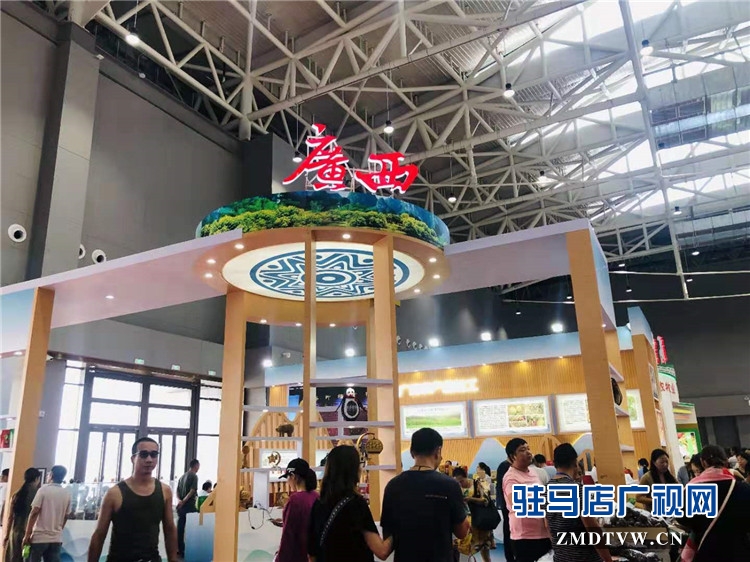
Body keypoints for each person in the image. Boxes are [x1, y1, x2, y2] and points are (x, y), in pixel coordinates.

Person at [380, 428, 468, 562]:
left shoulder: (393, 485)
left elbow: (388, 534)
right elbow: (461, 532)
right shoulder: (450, 485)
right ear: (438, 451)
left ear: (411, 452)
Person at [87, 437, 178, 562]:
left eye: (154, 454)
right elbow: (99, 534)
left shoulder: (165, 491)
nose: (149, 459)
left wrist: (173, 559)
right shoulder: (114, 494)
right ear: (133, 458)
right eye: (143, 454)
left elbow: (170, 529)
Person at [308, 445, 391, 562]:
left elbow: (312, 554)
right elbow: (381, 551)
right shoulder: (357, 505)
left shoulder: (319, 504)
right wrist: (399, 529)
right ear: (353, 470)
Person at [677, 445, 750, 562]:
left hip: (707, 551)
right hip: (738, 551)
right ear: (725, 461)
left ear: (703, 462)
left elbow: (683, 519)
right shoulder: (742, 487)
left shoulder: (691, 490)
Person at [546, 444, 613, 562]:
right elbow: (593, 530)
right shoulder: (578, 490)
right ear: (575, 463)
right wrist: (608, 559)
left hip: (560, 558)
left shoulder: (545, 490)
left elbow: (547, 526)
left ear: (555, 464)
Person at [502, 438, 551, 562]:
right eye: (522, 450)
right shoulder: (511, 477)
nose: (528, 452)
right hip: (524, 537)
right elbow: (517, 504)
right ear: (512, 456)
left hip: (543, 533)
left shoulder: (533, 472)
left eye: (528, 449)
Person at [22, 465, 71, 562]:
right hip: (56, 539)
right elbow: (66, 516)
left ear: (51, 475)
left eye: (48, 474)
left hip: (39, 537)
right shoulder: (67, 494)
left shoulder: (43, 490)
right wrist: (58, 531)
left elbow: (34, 512)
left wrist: (27, 534)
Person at [274, 458, 318, 562]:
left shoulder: (295, 500)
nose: (287, 481)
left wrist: (279, 559)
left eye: (287, 477)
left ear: (293, 476)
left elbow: (288, 536)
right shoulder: (317, 497)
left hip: (298, 556)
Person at [453, 467, 491, 562]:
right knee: (464, 548)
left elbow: (486, 500)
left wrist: (471, 499)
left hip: (480, 521)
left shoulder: (478, 484)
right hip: (465, 521)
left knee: (484, 551)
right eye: (457, 482)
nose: (460, 484)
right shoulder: (456, 488)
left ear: (466, 476)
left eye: (461, 481)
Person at [3, 468, 40, 562]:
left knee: (14, 558)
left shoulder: (16, 494)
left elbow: (10, 517)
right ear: (36, 479)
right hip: (29, 535)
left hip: (15, 533)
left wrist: (6, 535)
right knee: (26, 557)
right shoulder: (38, 495)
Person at [176, 459, 199, 558]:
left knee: (180, 529)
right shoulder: (194, 476)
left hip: (181, 507)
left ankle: (180, 550)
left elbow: (177, 491)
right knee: (193, 530)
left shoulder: (182, 477)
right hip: (189, 506)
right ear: (196, 465)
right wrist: (184, 501)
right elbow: (192, 491)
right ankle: (191, 551)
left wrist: (179, 501)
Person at [496, 459, 515, 562]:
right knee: (509, 530)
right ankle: (510, 556)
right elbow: (502, 487)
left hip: (507, 504)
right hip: (508, 505)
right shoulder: (505, 467)